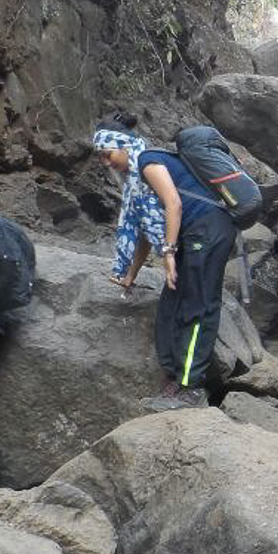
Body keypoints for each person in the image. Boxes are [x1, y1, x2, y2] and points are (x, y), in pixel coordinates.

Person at [93, 113, 237, 411]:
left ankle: (191, 386)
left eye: (107, 154)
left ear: (123, 146)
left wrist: (169, 254)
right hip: (191, 235)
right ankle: (174, 375)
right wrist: (130, 274)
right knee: (171, 303)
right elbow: (146, 230)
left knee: (198, 305)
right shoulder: (135, 181)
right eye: (100, 157)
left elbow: (174, 203)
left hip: (209, 230)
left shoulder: (147, 161)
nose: (105, 162)